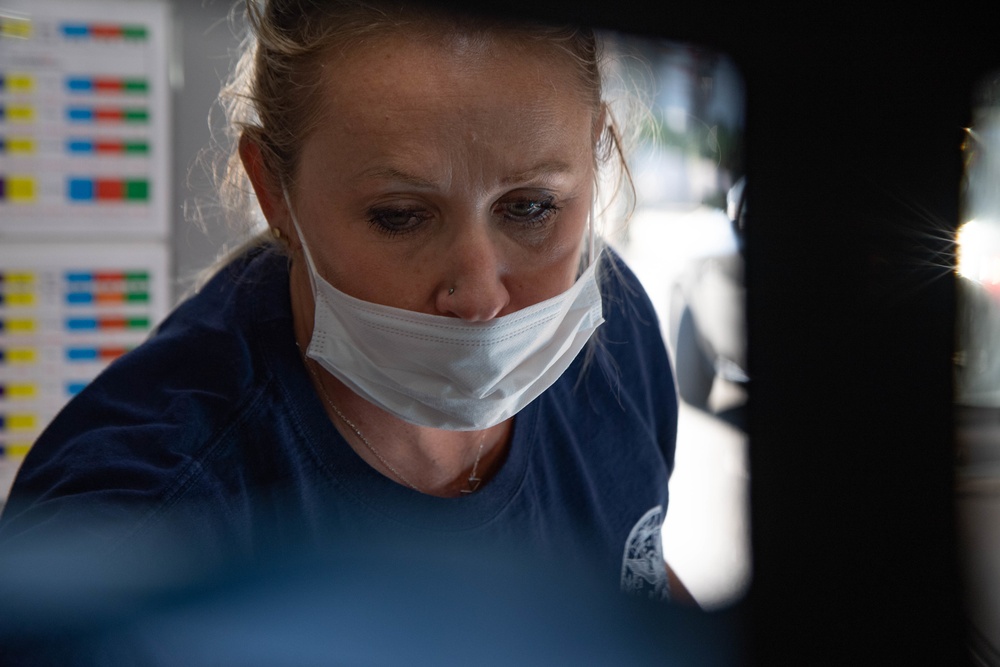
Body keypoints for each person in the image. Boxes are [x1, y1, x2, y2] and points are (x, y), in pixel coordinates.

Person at [0, 0, 688, 607]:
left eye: (532, 207)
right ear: (276, 197)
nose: (480, 295)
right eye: (400, 216)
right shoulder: (141, 528)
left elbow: (635, 577)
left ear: (596, 149)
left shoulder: (616, 331)